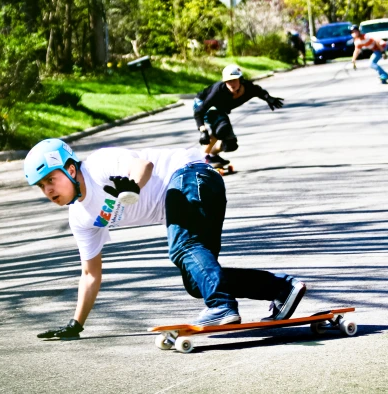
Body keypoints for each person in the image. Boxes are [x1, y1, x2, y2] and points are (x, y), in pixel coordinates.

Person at [27, 138, 308, 339]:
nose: (48, 190)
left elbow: (144, 165)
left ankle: (222, 307)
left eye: (51, 179)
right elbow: (90, 275)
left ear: (71, 170)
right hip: (193, 194)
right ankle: (282, 288)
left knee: (184, 247)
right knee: (198, 282)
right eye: (42, 186)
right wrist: (76, 324)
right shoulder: (81, 218)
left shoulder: (98, 165)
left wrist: (133, 185)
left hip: (192, 174)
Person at [193, 64, 284, 168]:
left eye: (234, 80)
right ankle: (200, 160)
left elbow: (259, 91)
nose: (231, 84)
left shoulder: (248, 88)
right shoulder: (218, 91)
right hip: (202, 104)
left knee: (231, 144)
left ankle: (212, 155)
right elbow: (199, 112)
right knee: (222, 127)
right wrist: (203, 130)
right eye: (228, 81)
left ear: (240, 80)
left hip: (219, 108)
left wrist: (269, 98)